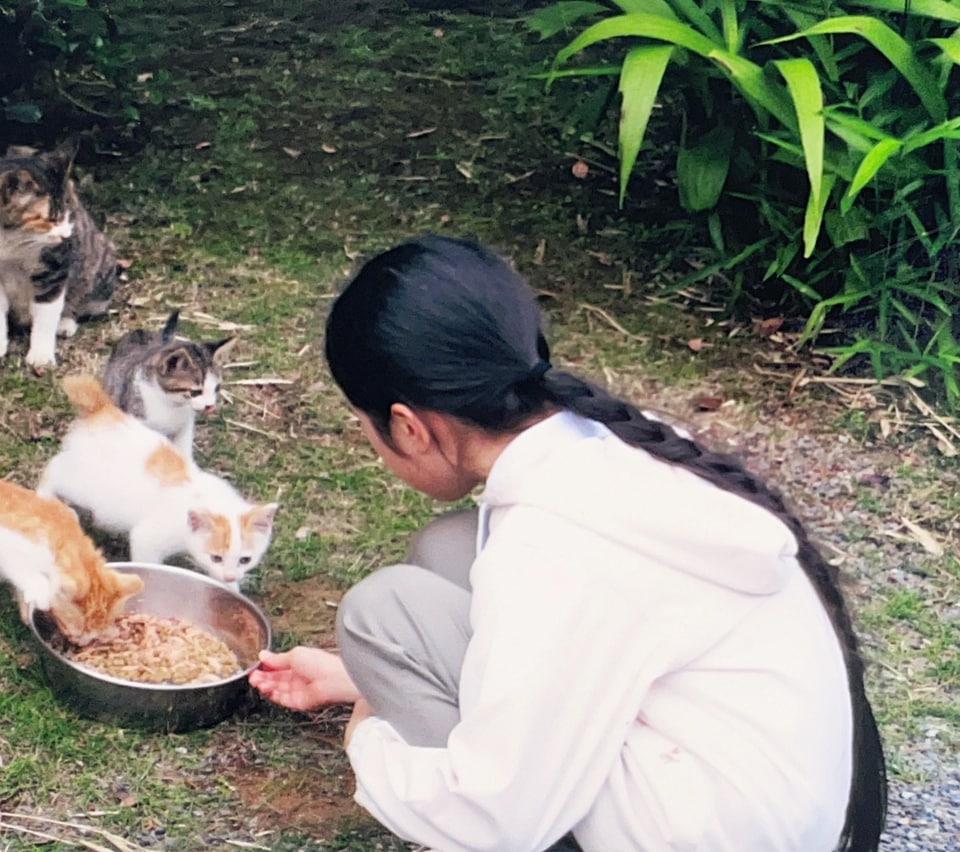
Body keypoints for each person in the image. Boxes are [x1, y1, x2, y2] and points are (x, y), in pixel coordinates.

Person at [248, 234, 886, 852]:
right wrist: (362, 682)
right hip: (755, 796)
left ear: (409, 427)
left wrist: (371, 740)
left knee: (383, 613)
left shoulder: (553, 551)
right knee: (450, 550)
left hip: (697, 830)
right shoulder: (604, 445)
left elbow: (497, 818)